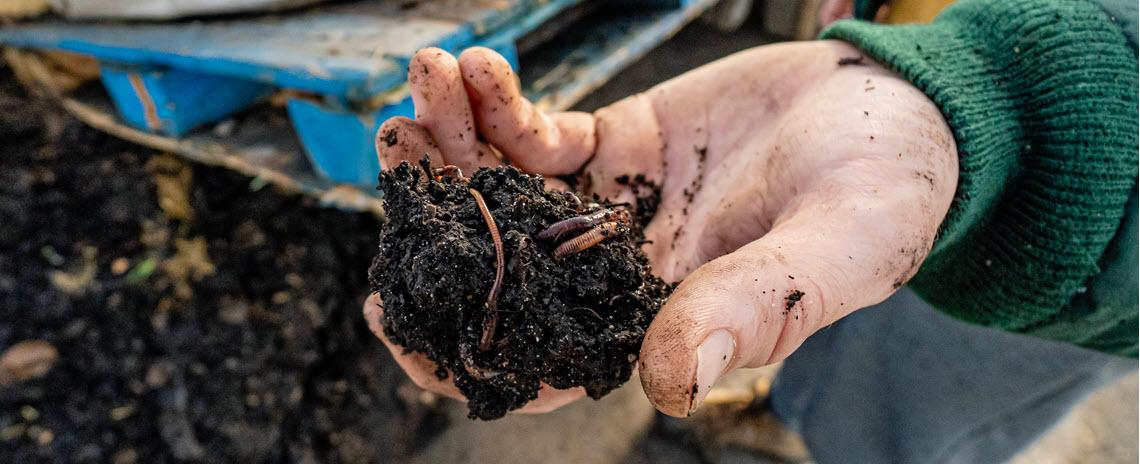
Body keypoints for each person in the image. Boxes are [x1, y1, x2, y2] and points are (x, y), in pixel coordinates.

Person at [363, 0, 1138, 461]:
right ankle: (786, 411)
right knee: (823, 285)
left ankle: (836, 446)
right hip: (915, 57)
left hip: (1060, 251)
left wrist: (999, 106)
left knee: (915, 398)